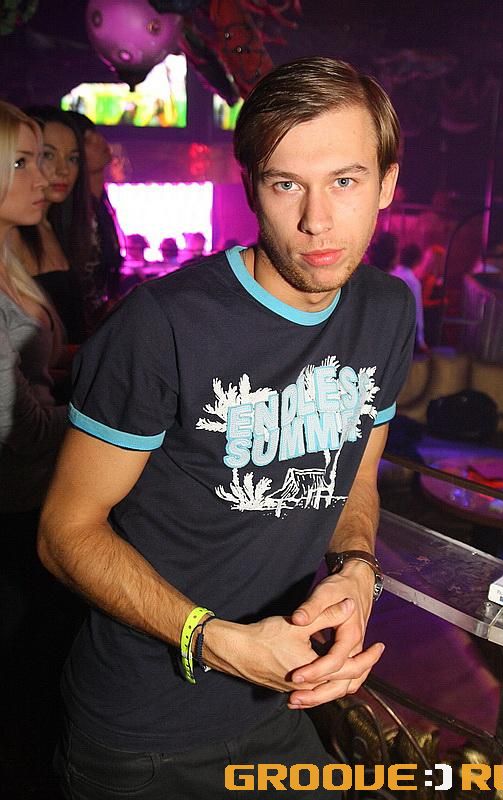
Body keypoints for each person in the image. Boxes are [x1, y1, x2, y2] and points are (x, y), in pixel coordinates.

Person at [38, 57, 415, 799]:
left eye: (345, 181)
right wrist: (211, 640)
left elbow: (355, 478)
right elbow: (63, 532)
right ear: (251, 187)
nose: (316, 221)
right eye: (286, 185)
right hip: (143, 733)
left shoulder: (387, 311)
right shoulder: (162, 326)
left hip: (276, 704)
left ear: (386, 184)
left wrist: (356, 571)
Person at [0, 100, 77, 797]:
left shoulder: (9, 258)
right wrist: (101, 413)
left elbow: (36, 377)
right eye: (22, 161)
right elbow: (17, 429)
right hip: (13, 509)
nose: (42, 176)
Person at [15, 106, 92, 343]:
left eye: (73, 158)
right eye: (48, 155)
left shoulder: (58, 226)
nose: (63, 170)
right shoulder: (11, 234)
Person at [66, 111, 124, 329]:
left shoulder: (100, 208)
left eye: (96, 133)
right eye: (87, 140)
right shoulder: (74, 214)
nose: (100, 140)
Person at [390, 243, 429, 352]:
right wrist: (420, 340)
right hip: (403, 333)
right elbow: (417, 311)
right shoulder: (413, 282)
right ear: (417, 261)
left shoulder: (390, 274)